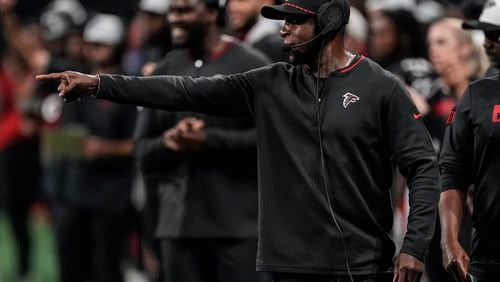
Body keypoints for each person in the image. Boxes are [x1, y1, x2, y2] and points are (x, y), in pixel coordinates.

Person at [37, 0, 439, 280]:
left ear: (331, 22)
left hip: (364, 264)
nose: (283, 27)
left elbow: (423, 166)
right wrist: (100, 84)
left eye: (295, 20)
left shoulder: (382, 88)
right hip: (290, 265)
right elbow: (182, 90)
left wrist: (415, 245)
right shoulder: (269, 83)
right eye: (282, 19)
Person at [134, 0, 271, 280]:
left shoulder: (252, 66)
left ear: (211, 13)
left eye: (184, 11)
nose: (175, 19)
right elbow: (142, 152)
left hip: (239, 230)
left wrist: (208, 139)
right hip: (178, 229)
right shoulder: (163, 70)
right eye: (172, 11)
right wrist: (169, 143)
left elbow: (274, 143)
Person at [439, 0, 500, 281]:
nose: (488, 43)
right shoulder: (477, 96)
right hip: (492, 255)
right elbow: (452, 172)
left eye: (495, 35)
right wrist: (449, 240)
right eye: (487, 35)